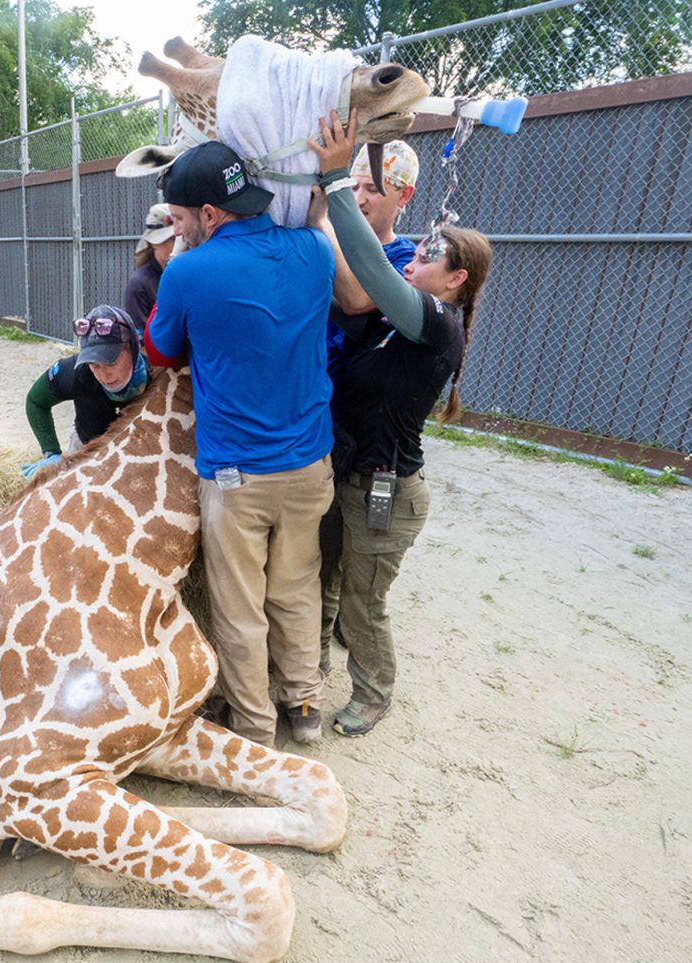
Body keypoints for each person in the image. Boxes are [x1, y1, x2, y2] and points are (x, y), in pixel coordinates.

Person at [146, 140, 336, 746]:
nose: (174, 232)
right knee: (297, 586)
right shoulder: (312, 250)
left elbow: (159, 350)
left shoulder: (187, 270)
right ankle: (303, 703)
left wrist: (178, 259)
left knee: (239, 604)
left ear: (208, 214)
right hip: (311, 466)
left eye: (178, 220)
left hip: (237, 474)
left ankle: (254, 727)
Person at [311, 111, 493, 737]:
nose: (416, 257)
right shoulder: (393, 323)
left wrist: (336, 184)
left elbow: (374, 280)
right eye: (416, 249)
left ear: (458, 279)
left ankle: (374, 692)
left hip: (385, 490)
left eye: (430, 255)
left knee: (363, 602)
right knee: (325, 581)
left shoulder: (438, 324)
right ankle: (311, 671)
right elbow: (352, 295)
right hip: (345, 472)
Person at [315, 140, 420, 673]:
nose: (358, 197)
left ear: (405, 194)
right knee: (320, 555)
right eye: (352, 185)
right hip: (321, 424)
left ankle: (363, 676)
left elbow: (357, 303)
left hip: (367, 441)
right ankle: (315, 657)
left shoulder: (408, 264)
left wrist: (326, 208)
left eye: (372, 189)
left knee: (353, 573)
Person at [21, 304, 148, 478]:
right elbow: (35, 401)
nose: (104, 375)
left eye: (111, 362)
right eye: (95, 365)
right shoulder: (76, 371)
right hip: (86, 447)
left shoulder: (155, 373)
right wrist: (51, 453)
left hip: (139, 451)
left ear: (132, 349)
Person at [122, 203, 177, 333]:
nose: (178, 246)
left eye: (180, 239)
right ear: (154, 243)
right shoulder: (140, 284)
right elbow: (141, 342)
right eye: (171, 240)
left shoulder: (185, 274)